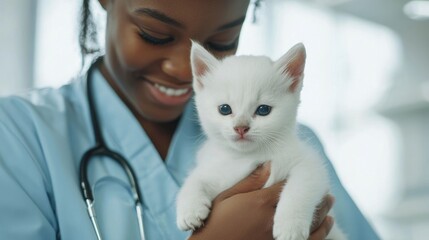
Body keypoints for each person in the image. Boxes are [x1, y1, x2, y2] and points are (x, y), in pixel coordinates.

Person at [0, 0, 379, 239]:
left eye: (221, 43)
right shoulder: (18, 136)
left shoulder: (295, 141)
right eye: (154, 34)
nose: (185, 71)